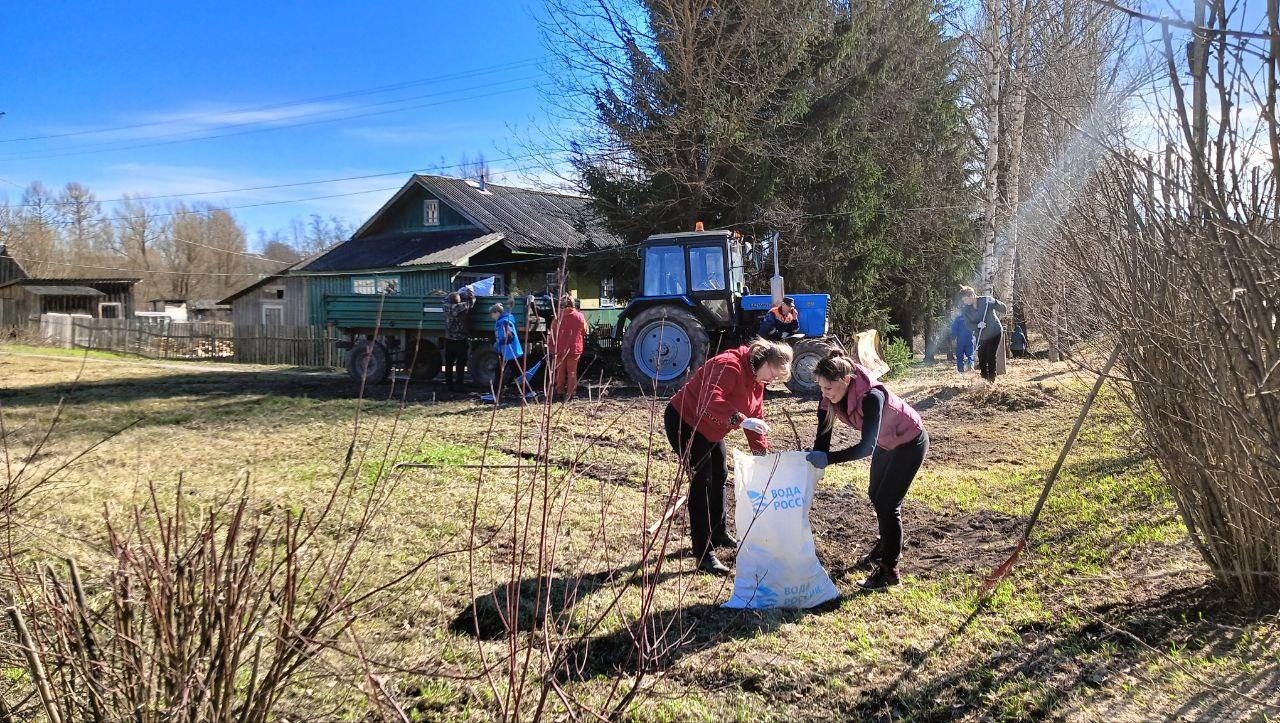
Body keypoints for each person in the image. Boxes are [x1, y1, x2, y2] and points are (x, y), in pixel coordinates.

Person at [665, 338, 792, 576]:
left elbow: (756, 417)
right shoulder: (729, 365)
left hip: (711, 429)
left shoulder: (757, 380)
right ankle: (703, 552)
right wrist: (741, 420)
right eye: (772, 375)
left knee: (720, 474)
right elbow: (710, 399)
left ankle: (719, 532)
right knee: (702, 481)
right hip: (685, 421)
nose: (771, 381)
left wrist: (761, 455)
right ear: (764, 360)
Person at [805, 350, 927, 591]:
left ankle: (889, 572)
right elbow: (823, 435)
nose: (824, 393)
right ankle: (886, 545)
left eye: (828, 388)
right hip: (886, 442)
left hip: (910, 441)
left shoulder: (871, 396)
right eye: (821, 387)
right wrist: (815, 463)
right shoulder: (828, 397)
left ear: (846, 380)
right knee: (875, 494)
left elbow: (865, 448)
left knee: (887, 502)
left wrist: (828, 459)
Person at [960, 285, 1008, 383]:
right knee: (981, 356)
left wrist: (995, 301)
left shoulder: (986, 301)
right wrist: (977, 325)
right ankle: (984, 379)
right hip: (981, 335)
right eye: (963, 300)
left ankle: (991, 380)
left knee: (990, 355)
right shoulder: (966, 310)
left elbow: (1004, 309)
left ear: (972, 295)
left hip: (994, 332)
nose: (965, 302)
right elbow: (968, 325)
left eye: (965, 299)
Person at [490, 303, 536, 402]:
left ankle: (495, 394)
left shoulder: (504, 322)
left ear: (497, 312)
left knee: (503, 372)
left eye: (492, 314)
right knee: (515, 373)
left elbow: (510, 336)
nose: (492, 316)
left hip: (510, 352)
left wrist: (499, 343)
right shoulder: (503, 321)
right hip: (508, 352)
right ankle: (529, 392)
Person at [548, 294, 589, 401]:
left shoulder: (557, 317)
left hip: (560, 348)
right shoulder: (580, 316)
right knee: (572, 372)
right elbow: (584, 331)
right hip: (574, 347)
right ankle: (571, 393)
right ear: (573, 303)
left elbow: (552, 332)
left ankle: (559, 392)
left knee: (560, 371)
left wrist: (551, 346)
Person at [442, 286, 476, 392]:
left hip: (449, 339)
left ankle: (448, 384)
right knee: (460, 364)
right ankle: (459, 385)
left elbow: (444, 299)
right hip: (461, 340)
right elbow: (472, 300)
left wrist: (456, 294)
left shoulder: (446, 307)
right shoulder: (462, 307)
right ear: (459, 300)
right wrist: (469, 291)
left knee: (449, 363)